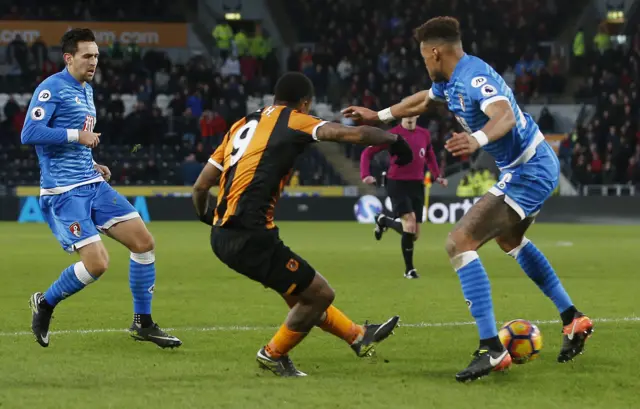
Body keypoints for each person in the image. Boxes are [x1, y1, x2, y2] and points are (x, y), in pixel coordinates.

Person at [342, 16, 593, 382]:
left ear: (434, 52)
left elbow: (504, 114)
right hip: (527, 166)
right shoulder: (450, 79)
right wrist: (380, 115)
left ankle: (491, 349)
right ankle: (573, 319)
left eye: (424, 58)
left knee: (459, 242)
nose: (425, 65)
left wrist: (477, 140)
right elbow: (423, 101)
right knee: (511, 240)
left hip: (529, 168)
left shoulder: (475, 78)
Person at [192, 72, 413, 377]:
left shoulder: (240, 125)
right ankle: (272, 354)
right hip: (251, 235)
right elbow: (354, 135)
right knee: (321, 294)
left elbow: (200, 188)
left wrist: (211, 220)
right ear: (305, 103)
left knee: (302, 296)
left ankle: (359, 337)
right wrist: (396, 140)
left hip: (225, 235)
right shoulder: (293, 119)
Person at [22, 28, 181, 349]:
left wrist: (90, 160)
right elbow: (30, 132)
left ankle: (143, 323)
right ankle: (45, 303)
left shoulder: (85, 90)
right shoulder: (51, 88)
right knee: (97, 264)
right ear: (69, 58)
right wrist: (76, 137)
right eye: (87, 56)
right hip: (64, 192)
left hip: (91, 182)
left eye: (96, 56)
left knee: (144, 242)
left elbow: (78, 135)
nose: (94, 61)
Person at [360, 115, 448, 279]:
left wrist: (437, 176)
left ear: (417, 115)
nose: (409, 116)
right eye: (406, 112)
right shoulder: (391, 135)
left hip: (417, 184)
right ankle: (409, 270)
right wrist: (365, 174)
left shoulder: (424, 134)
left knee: (414, 234)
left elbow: (429, 155)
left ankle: (383, 221)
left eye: (412, 112)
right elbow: (367, 152)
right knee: (409, 221)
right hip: (396, 182)